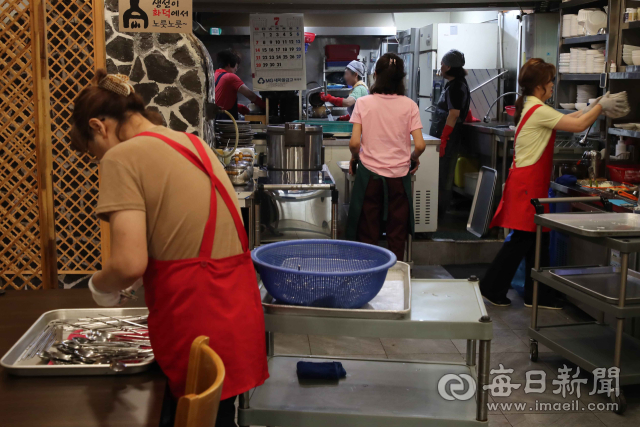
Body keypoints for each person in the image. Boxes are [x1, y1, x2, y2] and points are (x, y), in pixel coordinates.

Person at [70, 71, 269, 427]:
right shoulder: (193, 143)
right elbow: (180, 231)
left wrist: (99, 284)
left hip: (195, 319)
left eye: (94, 152)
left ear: (99, 127)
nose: (100, 160)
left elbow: (128, 264)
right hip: (235, 311)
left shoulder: (123, 157)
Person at [480, 58, 628, 308]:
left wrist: (597, 104)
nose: (552, 87)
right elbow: (579, 124)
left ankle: (536, 294)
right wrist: (600, 107)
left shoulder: (532, 105)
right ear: (539, 86)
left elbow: (572, 116)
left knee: (537, 238)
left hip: (527, 182)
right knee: (524, 239)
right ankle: (492, 288)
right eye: (549, 82)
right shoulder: (538, 110)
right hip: (528, 183)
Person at [346, 53, 426, 261]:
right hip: (399, 178)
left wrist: (356, 157)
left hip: (369, 177)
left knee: (368, 230)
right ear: (402, 78)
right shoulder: (410, 105)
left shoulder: (363, 103)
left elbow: (355, 143)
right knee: (396, 231)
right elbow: (419, 145)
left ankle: (368, 274)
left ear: (375, 75)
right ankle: (396, 276)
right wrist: (413, 158)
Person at [428, 49, 472, 216]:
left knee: (443, 176)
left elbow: (454, 114)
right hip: (442, 136)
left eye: (442, 64)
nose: (440, 66)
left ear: (447, 66)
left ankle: (439, 214)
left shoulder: (457, 86)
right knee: (440, 173)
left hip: (448, 138)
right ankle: (437, 212)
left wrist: (444, 139)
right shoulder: (453, 84)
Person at [214, 49, 266, 119]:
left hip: (215, 120)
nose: (236, 69)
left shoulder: (214, 75)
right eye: (236, 66)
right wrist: (266, 106)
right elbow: (250, 95)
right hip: (226, 122)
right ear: (229, 65)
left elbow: (219, 99)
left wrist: (237, 106)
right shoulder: (230, 77)